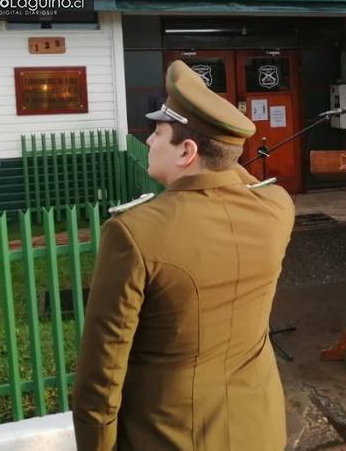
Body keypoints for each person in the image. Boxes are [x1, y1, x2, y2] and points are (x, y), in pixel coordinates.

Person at [72, 60, 294, 451]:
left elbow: (101, 378)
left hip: (171, 435)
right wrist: (222, 157)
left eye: (158, 133)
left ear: (187, 151)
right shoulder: (277, 207)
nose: (149, 142)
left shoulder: (134, 232)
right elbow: (237, 172)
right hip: (258, 425)